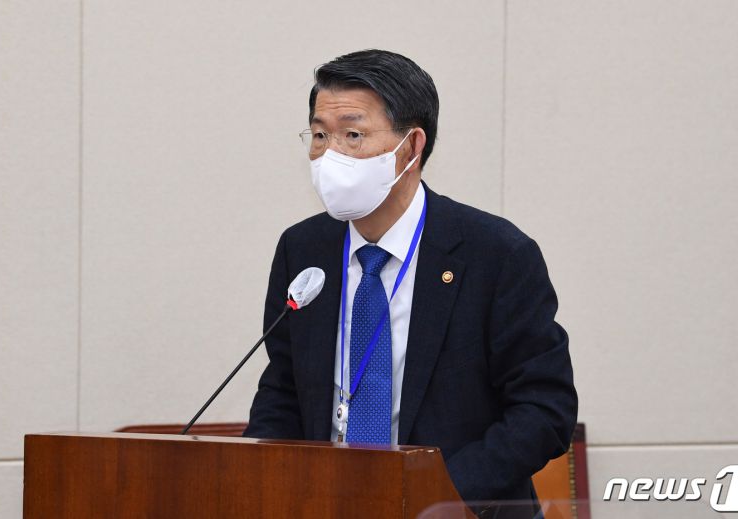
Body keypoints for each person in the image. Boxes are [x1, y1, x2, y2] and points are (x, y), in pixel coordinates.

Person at [244, 49, 578, 507]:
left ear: (412, 145)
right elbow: (283, 389)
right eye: (320, 135)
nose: (329, 154)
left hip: (454, 508)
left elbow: (544, 411)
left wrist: (434, 497)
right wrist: (263, 484)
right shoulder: (302, 249)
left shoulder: (496, 254)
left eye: (353, 134)